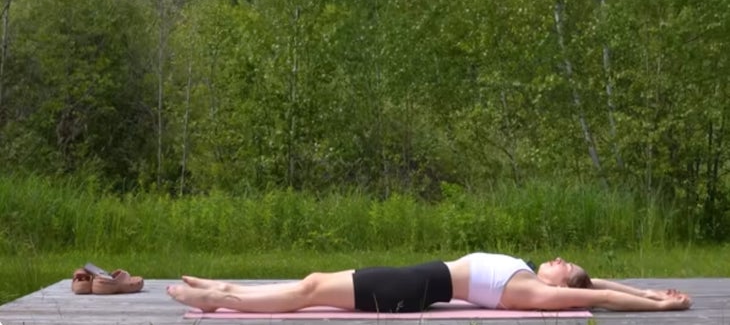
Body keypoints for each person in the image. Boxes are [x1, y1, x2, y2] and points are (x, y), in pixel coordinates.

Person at [166, 252, 692, 313]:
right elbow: (600, 280)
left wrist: (660, 311)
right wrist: (647, 290)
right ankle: (228, 286)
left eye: (564, 266)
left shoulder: (533, 292)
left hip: (415, 287)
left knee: (309, 292)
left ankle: (221, 301)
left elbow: (593, 291)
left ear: (562, 285)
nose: (557, 258)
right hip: (421, 278)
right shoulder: (533, 273)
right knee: (311, 281)